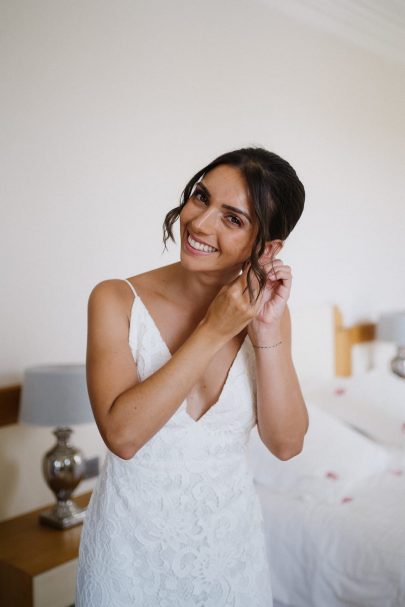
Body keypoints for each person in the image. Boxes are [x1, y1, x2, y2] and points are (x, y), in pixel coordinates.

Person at [76, 146, 309, 607]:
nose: (200, 224)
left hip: (230, 558)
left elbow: (286, 444)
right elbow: (123, 436)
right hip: (127, 559)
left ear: (267, 247)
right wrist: (214, 329)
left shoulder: (270, 316)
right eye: (200, 198)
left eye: (232, 218)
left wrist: (263, 328)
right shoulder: (115, 300)